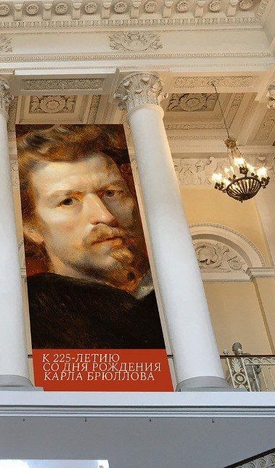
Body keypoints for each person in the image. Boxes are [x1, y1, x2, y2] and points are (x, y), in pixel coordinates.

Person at [17, 124, 165, 350]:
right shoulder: (36, 314)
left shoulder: (166, 293)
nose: (105, 216)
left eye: (112, 193)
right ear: (31, 227)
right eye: (68, 201)